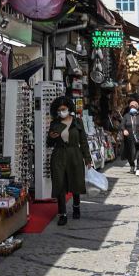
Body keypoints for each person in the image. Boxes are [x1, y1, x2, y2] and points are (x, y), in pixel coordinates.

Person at [47, 96, 90, 226]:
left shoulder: (78, 122)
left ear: (69, 108)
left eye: (63, 109)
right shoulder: (54, 123)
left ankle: (76, 207)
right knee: (59, 184)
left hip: (74, 154)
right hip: (59, 155)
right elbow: (49, 143)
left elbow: (83, 142)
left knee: (76, 181)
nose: (61, 112)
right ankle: (62, 214)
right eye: (59, 110)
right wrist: (51, 137)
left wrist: (87, 159)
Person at [121, 98, 139, 175]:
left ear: (137, 107)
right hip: (129, 138)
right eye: (131, 107)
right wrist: (124, 130)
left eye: (134, 107)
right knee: (130, 154)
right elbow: (122, 125)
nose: (132, 108)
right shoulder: (126, 116)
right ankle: (132, 165)